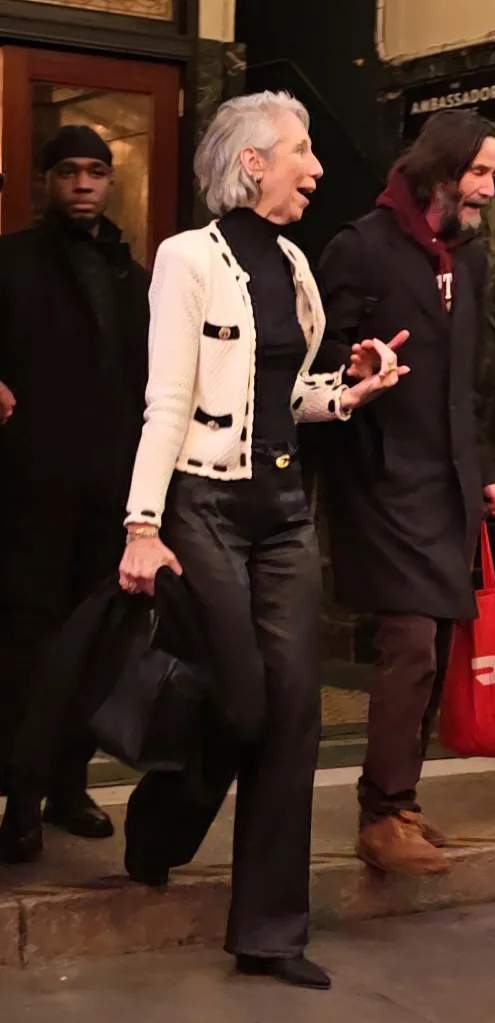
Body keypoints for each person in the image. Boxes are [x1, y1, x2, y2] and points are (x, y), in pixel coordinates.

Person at [118, 91, 407, 991]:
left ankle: (270, 931)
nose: (316, 168)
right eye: (300, 150)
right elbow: (170, 399)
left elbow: (283, 396)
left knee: (293, 714)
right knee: (240, 701)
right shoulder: (187, 259)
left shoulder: (293, 264)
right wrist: (142, 523)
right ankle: (158, 825)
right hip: (203, 505)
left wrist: (347, 391)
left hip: (282, 512)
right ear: (253, 162)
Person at [316, 110, 495, 876]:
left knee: (437, 645)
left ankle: (401, 803)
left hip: (446, 481)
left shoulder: (471, 258)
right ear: (440, 170)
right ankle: (380, 813)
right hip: (380, 478)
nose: (490, 189)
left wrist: (483, 467)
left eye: (494, 174)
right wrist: (355, 366)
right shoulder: (361, 247)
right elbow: (316, 357)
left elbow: (467, 381)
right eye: (480, 172)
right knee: (410, 643)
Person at [0, 125, 150, 862]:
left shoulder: (134, 275)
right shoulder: (10, 261)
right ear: (46, 181)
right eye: (68, 171)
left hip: (111, 493)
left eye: (95, 171)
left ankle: (69, 786)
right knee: (28, 649)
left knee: (96, 646)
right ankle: (21, 801)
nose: (83, 184)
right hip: (29, 492)